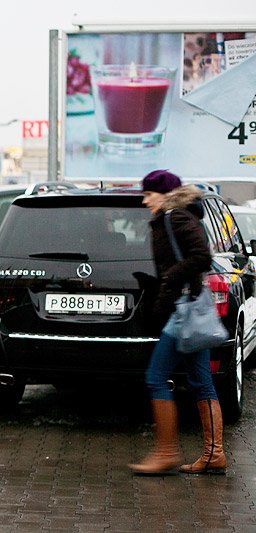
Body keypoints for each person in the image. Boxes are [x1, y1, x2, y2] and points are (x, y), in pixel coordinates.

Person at [129, 170, 226, 475]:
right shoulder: (174, 217)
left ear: (165, 194)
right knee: (201, 381)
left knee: (156, 377)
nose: (145, 201)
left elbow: (201, 257)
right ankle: (214, 455)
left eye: (149, 194)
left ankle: (166, 453)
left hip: (183, 312)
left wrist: (171, 277)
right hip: (186, 310)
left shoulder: (176, 217)